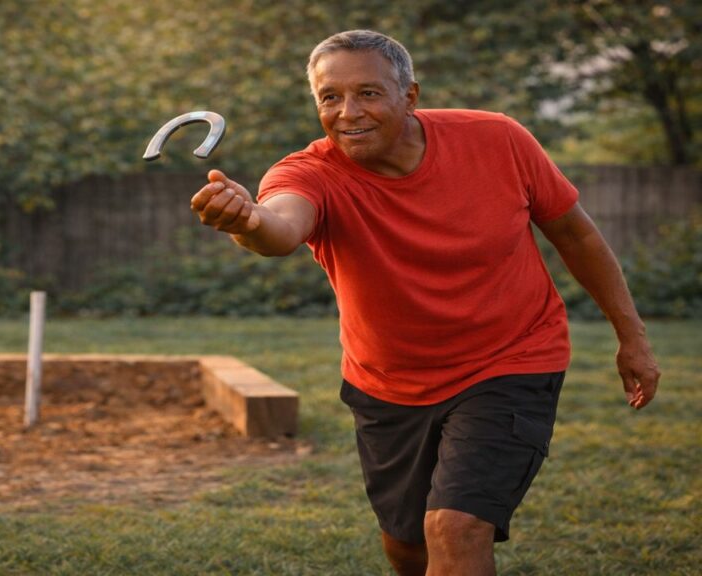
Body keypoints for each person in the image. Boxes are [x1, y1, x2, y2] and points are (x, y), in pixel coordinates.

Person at [189, 29, 660, 576]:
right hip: (388, 383)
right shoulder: (309, 173)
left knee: (454, 529)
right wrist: (246, 220)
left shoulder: (497, 140)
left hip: (511, 360)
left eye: (368, 93)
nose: (348, 112)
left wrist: (634, 337)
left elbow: (576, 236)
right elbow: (280, 227)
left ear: (409, 96)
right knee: (407, 547)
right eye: (330, 97)